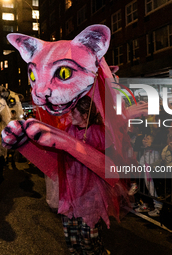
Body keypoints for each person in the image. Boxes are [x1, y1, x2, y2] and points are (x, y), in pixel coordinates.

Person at [59, 95, 128, 254]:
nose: (69, 115)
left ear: (85, 115)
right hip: (71, 189)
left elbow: (111, 160)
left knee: (88, 236)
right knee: (71, 235)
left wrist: (88, 152)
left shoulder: (100, 132)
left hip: (91, 192)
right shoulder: (69, 130)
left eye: (73, 112)